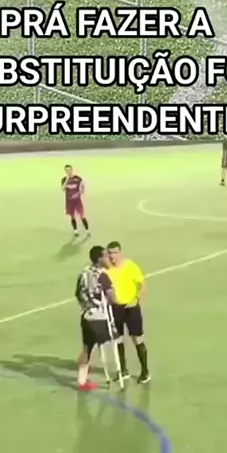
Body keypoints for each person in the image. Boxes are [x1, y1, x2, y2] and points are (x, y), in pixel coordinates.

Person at [106, 241, 150, 384]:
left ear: (120, 253)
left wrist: (136, 299)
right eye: (110, 253)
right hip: (115, 308)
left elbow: (142, 285)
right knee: (118, 339)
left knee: (137, 339)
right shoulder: (107, 269)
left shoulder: (130, 266)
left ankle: (145, 372)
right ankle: (123, 370)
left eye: (114, 253)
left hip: (131, 307)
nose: (112, 256)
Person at [75, 246, 115, 391]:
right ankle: (113, 373)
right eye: (105, 256)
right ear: (99, 259)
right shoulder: (103, 276)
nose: (108, 258)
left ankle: (81, 380)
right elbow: (112, 298)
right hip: (99, 317)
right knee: (108, 342)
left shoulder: (84, 273)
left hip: (86, 315)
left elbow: (78, 293)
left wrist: (87, 306)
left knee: (87, 348)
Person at [62, 164, 90, 238]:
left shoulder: (78, 178)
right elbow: (63, 189)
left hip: (77, 201)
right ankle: (75, 230)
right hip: (69, 202)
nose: (68, 171)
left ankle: (87, 230)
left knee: (82, 216)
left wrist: (82, 191)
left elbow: (82, 186)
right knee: (72, 216)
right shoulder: (64, 179)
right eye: (67, 170)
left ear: (72, 170)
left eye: (69, 170)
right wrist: (67, 179)